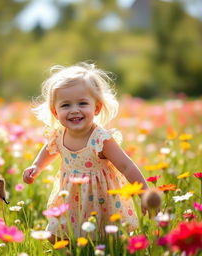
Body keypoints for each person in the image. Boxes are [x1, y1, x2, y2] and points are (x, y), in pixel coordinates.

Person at [23, 62, 149, 242]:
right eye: (66, 105)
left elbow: (126, 165)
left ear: (96, 108)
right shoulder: (58, 135)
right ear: (55, 111)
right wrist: (36, 166)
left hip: (101, 199)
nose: (75, 110)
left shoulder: (100, 139)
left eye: (82, 103)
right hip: (70, 196)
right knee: (56, 236)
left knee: (103, 238)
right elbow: (49, 151)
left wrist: (144, 192)